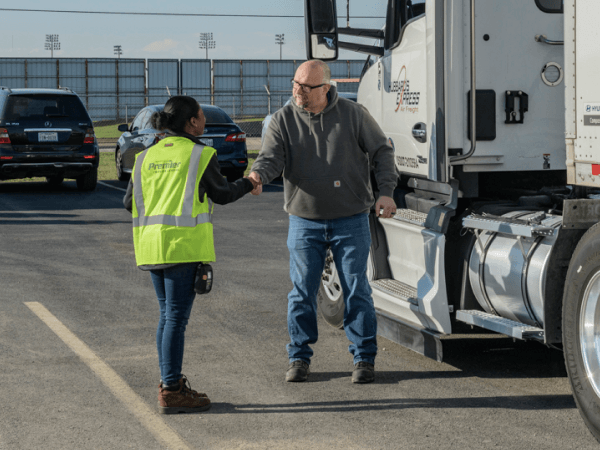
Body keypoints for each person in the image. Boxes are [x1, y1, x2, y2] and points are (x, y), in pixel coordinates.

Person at [248, 60, 397, 384]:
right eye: (295, 84)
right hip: (305, 220)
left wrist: (386, 192)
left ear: (325, 88)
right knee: (301, 292)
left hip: (351, 218)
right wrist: (258, 175)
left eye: (305, 86)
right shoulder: (282, 120)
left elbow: (382, 151)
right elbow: (271, 157)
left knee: (356, 289)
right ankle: (299, 358)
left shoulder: (353, 115)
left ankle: (363, 359)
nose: (297, 91)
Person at [123, 96, 258, 413]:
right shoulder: (200, 154)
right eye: (201, 115)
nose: (204, 121)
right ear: (191, 122)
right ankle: (171, 390)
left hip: (151, 246)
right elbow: (222, 194)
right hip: (182, 247)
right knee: (175, 320)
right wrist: (249, 182)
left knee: (166, 316)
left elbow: (129, 202)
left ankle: (169, 382)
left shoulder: (146, 157)